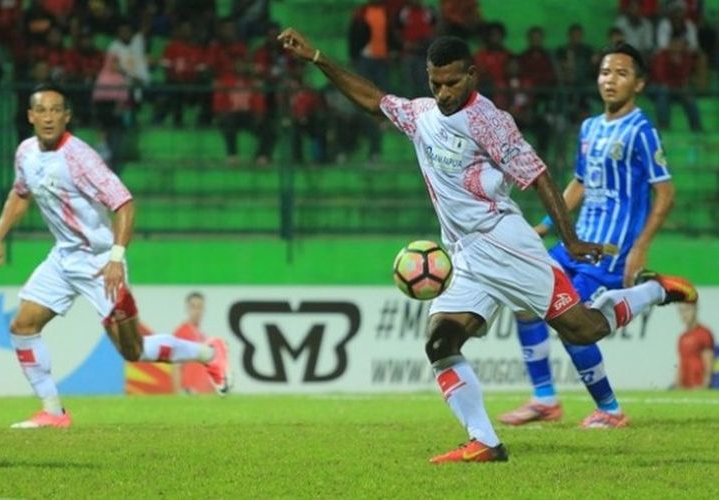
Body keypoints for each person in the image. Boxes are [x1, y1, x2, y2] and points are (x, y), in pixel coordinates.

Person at [278, 28, 698, 463]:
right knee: (440, 343)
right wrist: (318, 57)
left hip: (506, 246)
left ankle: (654, 290)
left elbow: (539, 177)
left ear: (472, 76)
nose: (442, 93)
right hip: (465, 258)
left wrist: (569, 240)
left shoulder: (489, 122)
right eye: (435, 82)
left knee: (584, 329)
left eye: (452, 82)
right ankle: (485, 442)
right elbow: (374, 100)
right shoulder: (422, 115)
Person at [0, 83, 226, 429]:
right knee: (22, 326)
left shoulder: (80, 157)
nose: (49, 117)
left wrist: (115, 258)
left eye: (56, 110)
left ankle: (209, 353)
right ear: (30, 116)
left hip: (100, 261)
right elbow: (20, 192)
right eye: (42, 110)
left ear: (67, 116)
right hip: (63, 258)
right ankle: (53, 413)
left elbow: (124, 203)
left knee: (133, 351)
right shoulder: (25, 153)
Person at [498, 43, 675, 429]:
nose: (610, 80)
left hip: (610, 251)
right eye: (605, 72)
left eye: (622, 73)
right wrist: (545, 226)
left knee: (570, 322)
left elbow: (665, 191)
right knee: (524, 299)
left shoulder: (642, 131)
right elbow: (579, 183)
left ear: (639, 83)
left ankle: (610, 410)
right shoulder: (590, 127)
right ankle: (545, 399)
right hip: (573, 244)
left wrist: (641, 247)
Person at [173, 292, 231, 395]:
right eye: (193, 307)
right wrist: (178, 394)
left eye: (200, 307)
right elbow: (176, 367)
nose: (197, 311)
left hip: (202, 393)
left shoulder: (202, 336)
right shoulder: (181, 333)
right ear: (187, 309)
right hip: (189, 392)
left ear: (204, 310)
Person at [674, 302, 715, 389]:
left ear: (695, 309)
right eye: (681, 311)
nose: (684, 314)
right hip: (684, 388)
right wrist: (677, 384)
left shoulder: (704, 333)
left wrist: (704, 385)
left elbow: (709, 363)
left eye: (687, 310)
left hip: (699, 387)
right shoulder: (682, 338)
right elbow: (681, 364)